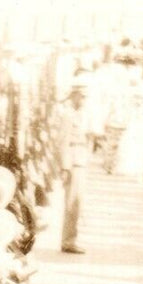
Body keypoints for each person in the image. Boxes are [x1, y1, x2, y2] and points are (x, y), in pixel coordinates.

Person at [57, 75, 91, 254]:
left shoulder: (79, 114)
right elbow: (62, 141)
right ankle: (68, 241)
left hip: (80, 160)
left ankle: (71, 238)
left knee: (77, 203)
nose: (84, 99)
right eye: (82, 96)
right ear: (75, 95)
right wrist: (65, 167)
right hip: (72, 162)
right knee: (72, 203)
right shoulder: (68, 115)